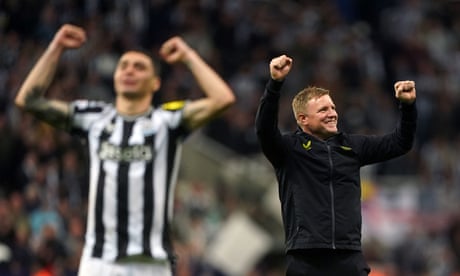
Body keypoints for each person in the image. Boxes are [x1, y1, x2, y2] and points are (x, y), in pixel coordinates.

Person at [14, 24, 235, 276]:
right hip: (98, 262)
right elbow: (27, 100)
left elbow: (223, 99)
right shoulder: (94, 118)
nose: (129, 70)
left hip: (150, 264)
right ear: (116, 76)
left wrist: (188, 55)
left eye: (139, 67)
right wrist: (56, 47)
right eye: (124, 65)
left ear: (155, 83)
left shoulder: (167, 121)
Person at [255, 54, 417, 276]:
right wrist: (274, 84)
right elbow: (264, 130)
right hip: (307, 259)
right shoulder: (288, 150)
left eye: (332, 108)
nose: (332, 114)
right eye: (323, 110)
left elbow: (400, 143)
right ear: (303, 119)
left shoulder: (353, 147)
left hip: (349, 256)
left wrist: (407, 107)